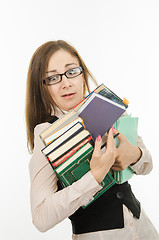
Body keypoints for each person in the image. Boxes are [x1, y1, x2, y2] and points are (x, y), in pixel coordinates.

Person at [25, 40, 159, 239]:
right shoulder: (47, 135)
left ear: (82, 73)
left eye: (72, 71)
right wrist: (93, 178)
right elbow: (41, 218)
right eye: (53, 78)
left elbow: (147, 166)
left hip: (144, 229)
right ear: (42, 87)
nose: (66, 83)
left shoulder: (107, 106)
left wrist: (135, 155)